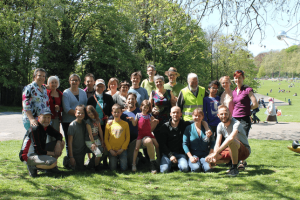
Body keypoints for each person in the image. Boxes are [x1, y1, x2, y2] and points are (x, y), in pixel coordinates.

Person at [205, 105, 251, 176]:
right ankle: (232, 162)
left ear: (230, 114)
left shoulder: (236, 123)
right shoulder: (220, 125)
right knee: (209, 159)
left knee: (231, 141)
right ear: (218, 115)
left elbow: (231, 138)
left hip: (243, 151)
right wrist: (214, 155)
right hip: (231, 150)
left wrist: (217, 152)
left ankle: (234, 169)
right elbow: (217, 143)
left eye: (226, 114)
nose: (224, 116)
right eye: (221, 114)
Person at [20, 108, 65, 177]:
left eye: (48, 117)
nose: (47, 120)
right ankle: (32, 167)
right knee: (53, 162)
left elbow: (58, 135)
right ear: (39, 117)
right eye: (44, 117)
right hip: (28, 156)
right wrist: (54, 153)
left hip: (38, 152)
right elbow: (39, 151)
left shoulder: (46, 126)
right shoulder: (35, 128)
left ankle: (49, 168)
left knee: (62, 142)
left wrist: (58, 144)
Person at [231, 70, 257, 169]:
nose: (237, 79)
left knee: (243, 139)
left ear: (243, 78)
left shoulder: (247, 90)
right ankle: (236, 160)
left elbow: (255, 104)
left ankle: (242, 161)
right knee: (235, 139)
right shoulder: (233, 91)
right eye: (236, 78)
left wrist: (247, 109)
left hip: (244, 119)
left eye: (239, 77)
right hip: (234, 119)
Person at [127, 100, 160, 173]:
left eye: (147, 108)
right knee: (136, 148)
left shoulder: (149, 115)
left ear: (149, 109)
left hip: (149, 134)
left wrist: (155, 121)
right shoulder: (138, 115)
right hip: (141, 135)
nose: (145, 109)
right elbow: (135, 124)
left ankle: (158, 161)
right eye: (144, 107)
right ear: (141, 107)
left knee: (157, 145)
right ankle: (134, 164)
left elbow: (154, 120)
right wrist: (132, 119)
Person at [87, 79, 113, 167]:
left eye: (101, 86)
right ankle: (95, 161)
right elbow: (88, 112)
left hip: (106, 124)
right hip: (94, 125)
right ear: (95, 87)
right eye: (98, 86)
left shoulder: (109, 98)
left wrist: (109, 117)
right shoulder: (91, 99)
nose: (99, 87)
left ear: (104, 87)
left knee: (105, 142)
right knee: (96, 143)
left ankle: (105, 161)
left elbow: (112, 111)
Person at [62, 74, 88, 157]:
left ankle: (79, 160)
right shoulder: (66, 93)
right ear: (69, 81)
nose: (74, 82)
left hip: (80, 121)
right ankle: (70, 160)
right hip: (68, 121)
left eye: (76, 80)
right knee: (69, 141)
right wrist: (79, 114)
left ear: (79, 82)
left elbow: (85, 106)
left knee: (80, 141)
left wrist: (80, 117)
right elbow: (66, 109)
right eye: (72, 80)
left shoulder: (83, 92)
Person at [158, 106, 190, 173]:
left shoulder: (185, 125)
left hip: (180, 154)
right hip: (167, 154)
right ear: (170, 114)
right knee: (164, 171)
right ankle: (173, 164)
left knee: (185, 169)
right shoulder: (164, 127)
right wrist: (170, 155)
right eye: (174, 112)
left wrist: (206, 127)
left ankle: (175, 165)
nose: (175, 114)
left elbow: (198, 121)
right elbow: (162, 144)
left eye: (177, 113)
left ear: (181, 114)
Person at [183, 108, 215, 172]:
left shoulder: (207, 128)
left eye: (199, 115)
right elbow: (184, 144)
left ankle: (203, 164)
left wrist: (210, 155)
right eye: (195, 115)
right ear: (192, 116)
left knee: (208, 169)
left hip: (205, 155)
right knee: (196, 169)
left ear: (202, 117)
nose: (197, 117)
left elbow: (213, 142)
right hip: (194, 155)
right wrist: (190, 157)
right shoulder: (188, 128)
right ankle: (195, 164)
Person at [64, 105, 90, 170]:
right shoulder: (72, 125)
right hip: (76, 152)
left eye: (82, 113)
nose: (80, 114)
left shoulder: (85, 123)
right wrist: (71, 157)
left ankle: (92, 164)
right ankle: (67, 161)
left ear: (85, 114)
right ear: (75, 114)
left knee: (98, 152)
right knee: (78, 169)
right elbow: (69, 142)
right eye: (78, 113)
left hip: (84, 149)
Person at [105, 104, 130, 171]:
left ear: (121, 113)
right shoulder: (109, 124)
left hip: (122, 150)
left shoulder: (125, 124)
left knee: (124, 169)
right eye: (115, 112)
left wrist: (122, 149)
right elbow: (106, 139)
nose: (116, 114)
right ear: (112, 113)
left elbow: (127, 138)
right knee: (113, 169)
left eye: (118, 112)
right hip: (112, 150)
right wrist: (110, 150)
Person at [85, 105, 104, 171]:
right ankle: (96, 167)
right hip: (90, 141)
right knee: (98, 154)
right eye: (88, 112)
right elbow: (90, 134)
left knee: (103, 151)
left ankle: (91, 165)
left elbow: (100, 131)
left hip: (97, 139)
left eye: (91, 111)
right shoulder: (88, 122)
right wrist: (93, 143)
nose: (90, 114)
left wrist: (102, 141)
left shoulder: (97, 120)